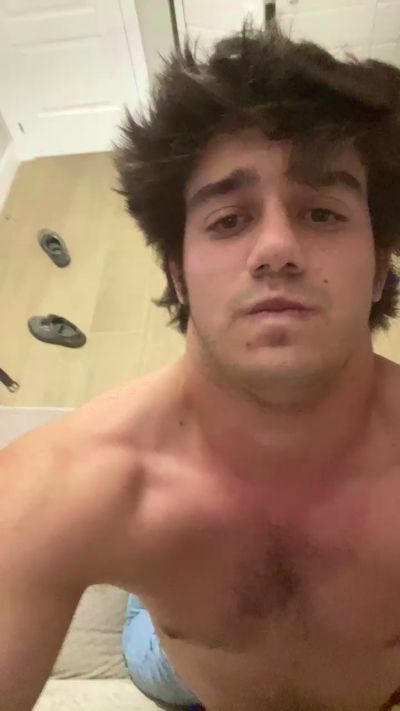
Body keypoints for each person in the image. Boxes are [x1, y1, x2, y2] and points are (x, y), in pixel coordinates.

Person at [2, 17, 400, 711]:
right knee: (148, 641)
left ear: (379, 270)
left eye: (323, 213)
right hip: (179, 671)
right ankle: (149, 593)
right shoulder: (54, 486)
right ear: (178, 276)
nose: (276, 249)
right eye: (228, 220)